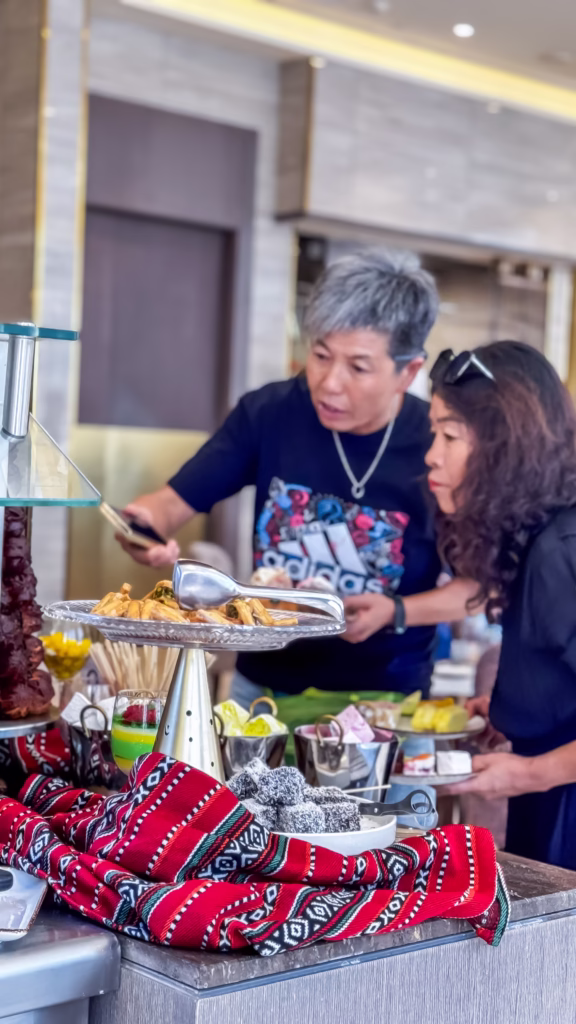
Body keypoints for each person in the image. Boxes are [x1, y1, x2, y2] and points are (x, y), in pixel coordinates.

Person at [118, 251, 475, 705]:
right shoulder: (269, 414)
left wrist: (396, 611)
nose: (328, 383)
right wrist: (141, 526)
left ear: (408, 371)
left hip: (384, 704)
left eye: (358, 367)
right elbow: (168, 504)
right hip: (262, 692)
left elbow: (478, 590)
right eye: (321, 355)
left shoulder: (436, 444)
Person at [425, 340, 576, 870]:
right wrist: (518, 705)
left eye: (449, 435)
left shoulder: (560, 551)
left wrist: (532, 772)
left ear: (503, 448)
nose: (431, 456)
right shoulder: (537, 536)